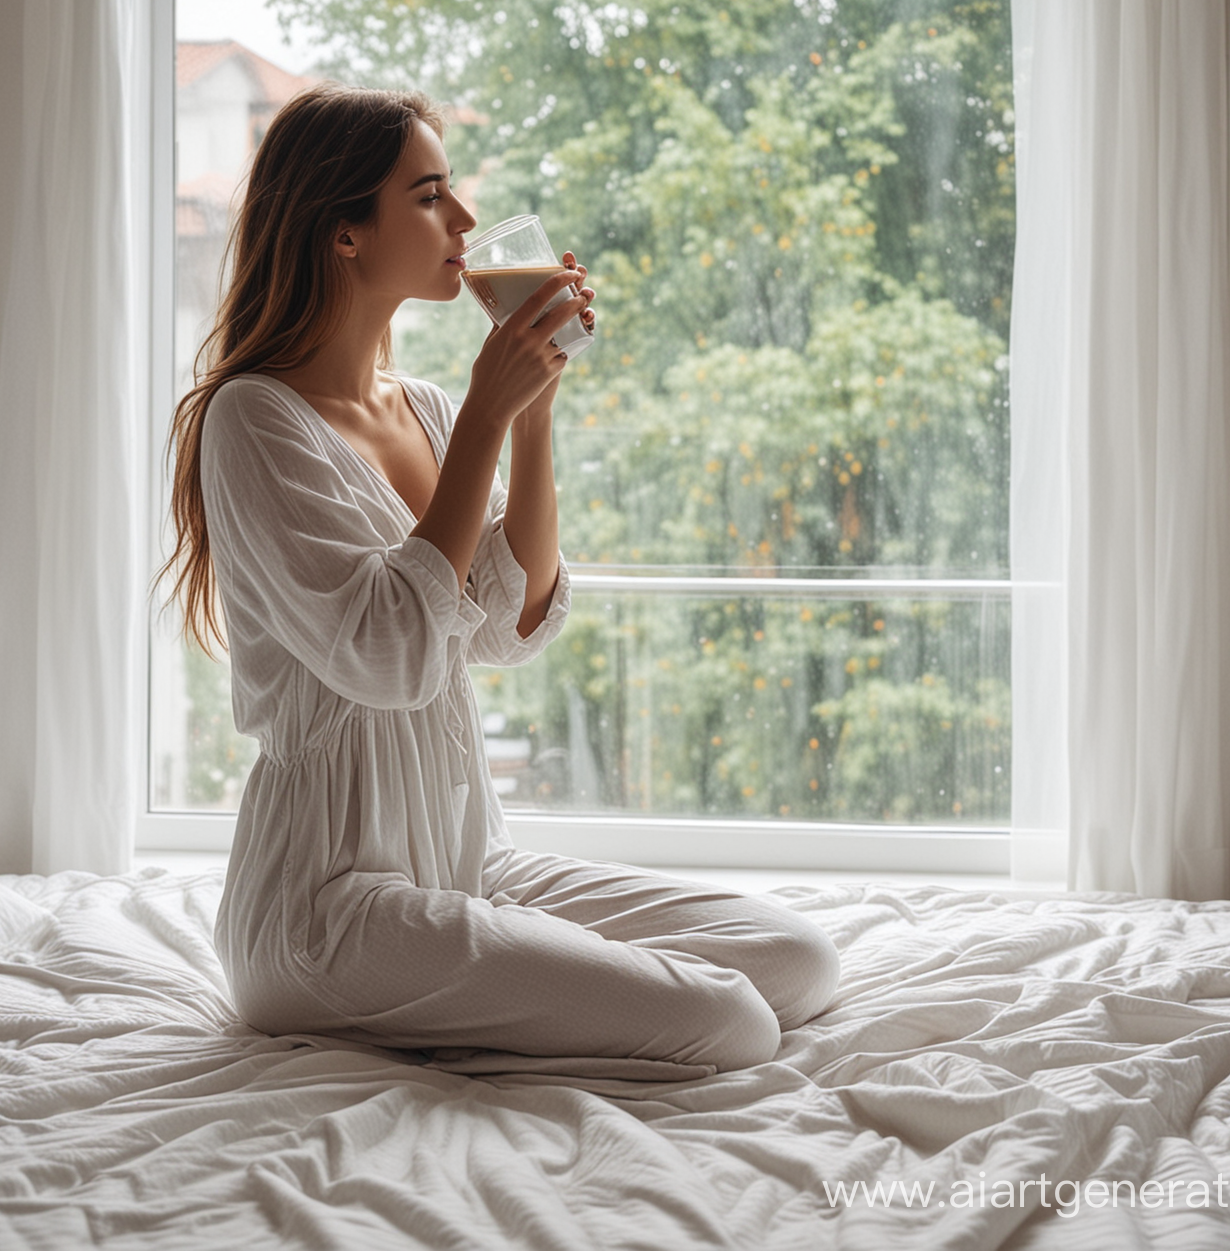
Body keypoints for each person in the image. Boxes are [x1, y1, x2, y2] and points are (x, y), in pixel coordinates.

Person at [159, 82, 839, 1072]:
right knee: (730, 1022)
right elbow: (389, 653)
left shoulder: (429, 408)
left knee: (796, 961)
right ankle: (481, 1009)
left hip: (472, 868)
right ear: (344, 230)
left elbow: (504, 629)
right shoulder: (253, 420)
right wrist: (486, 415)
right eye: (430, 195)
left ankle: (502, 999)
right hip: (328, 911)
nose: (467, 222)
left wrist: (531, 411)